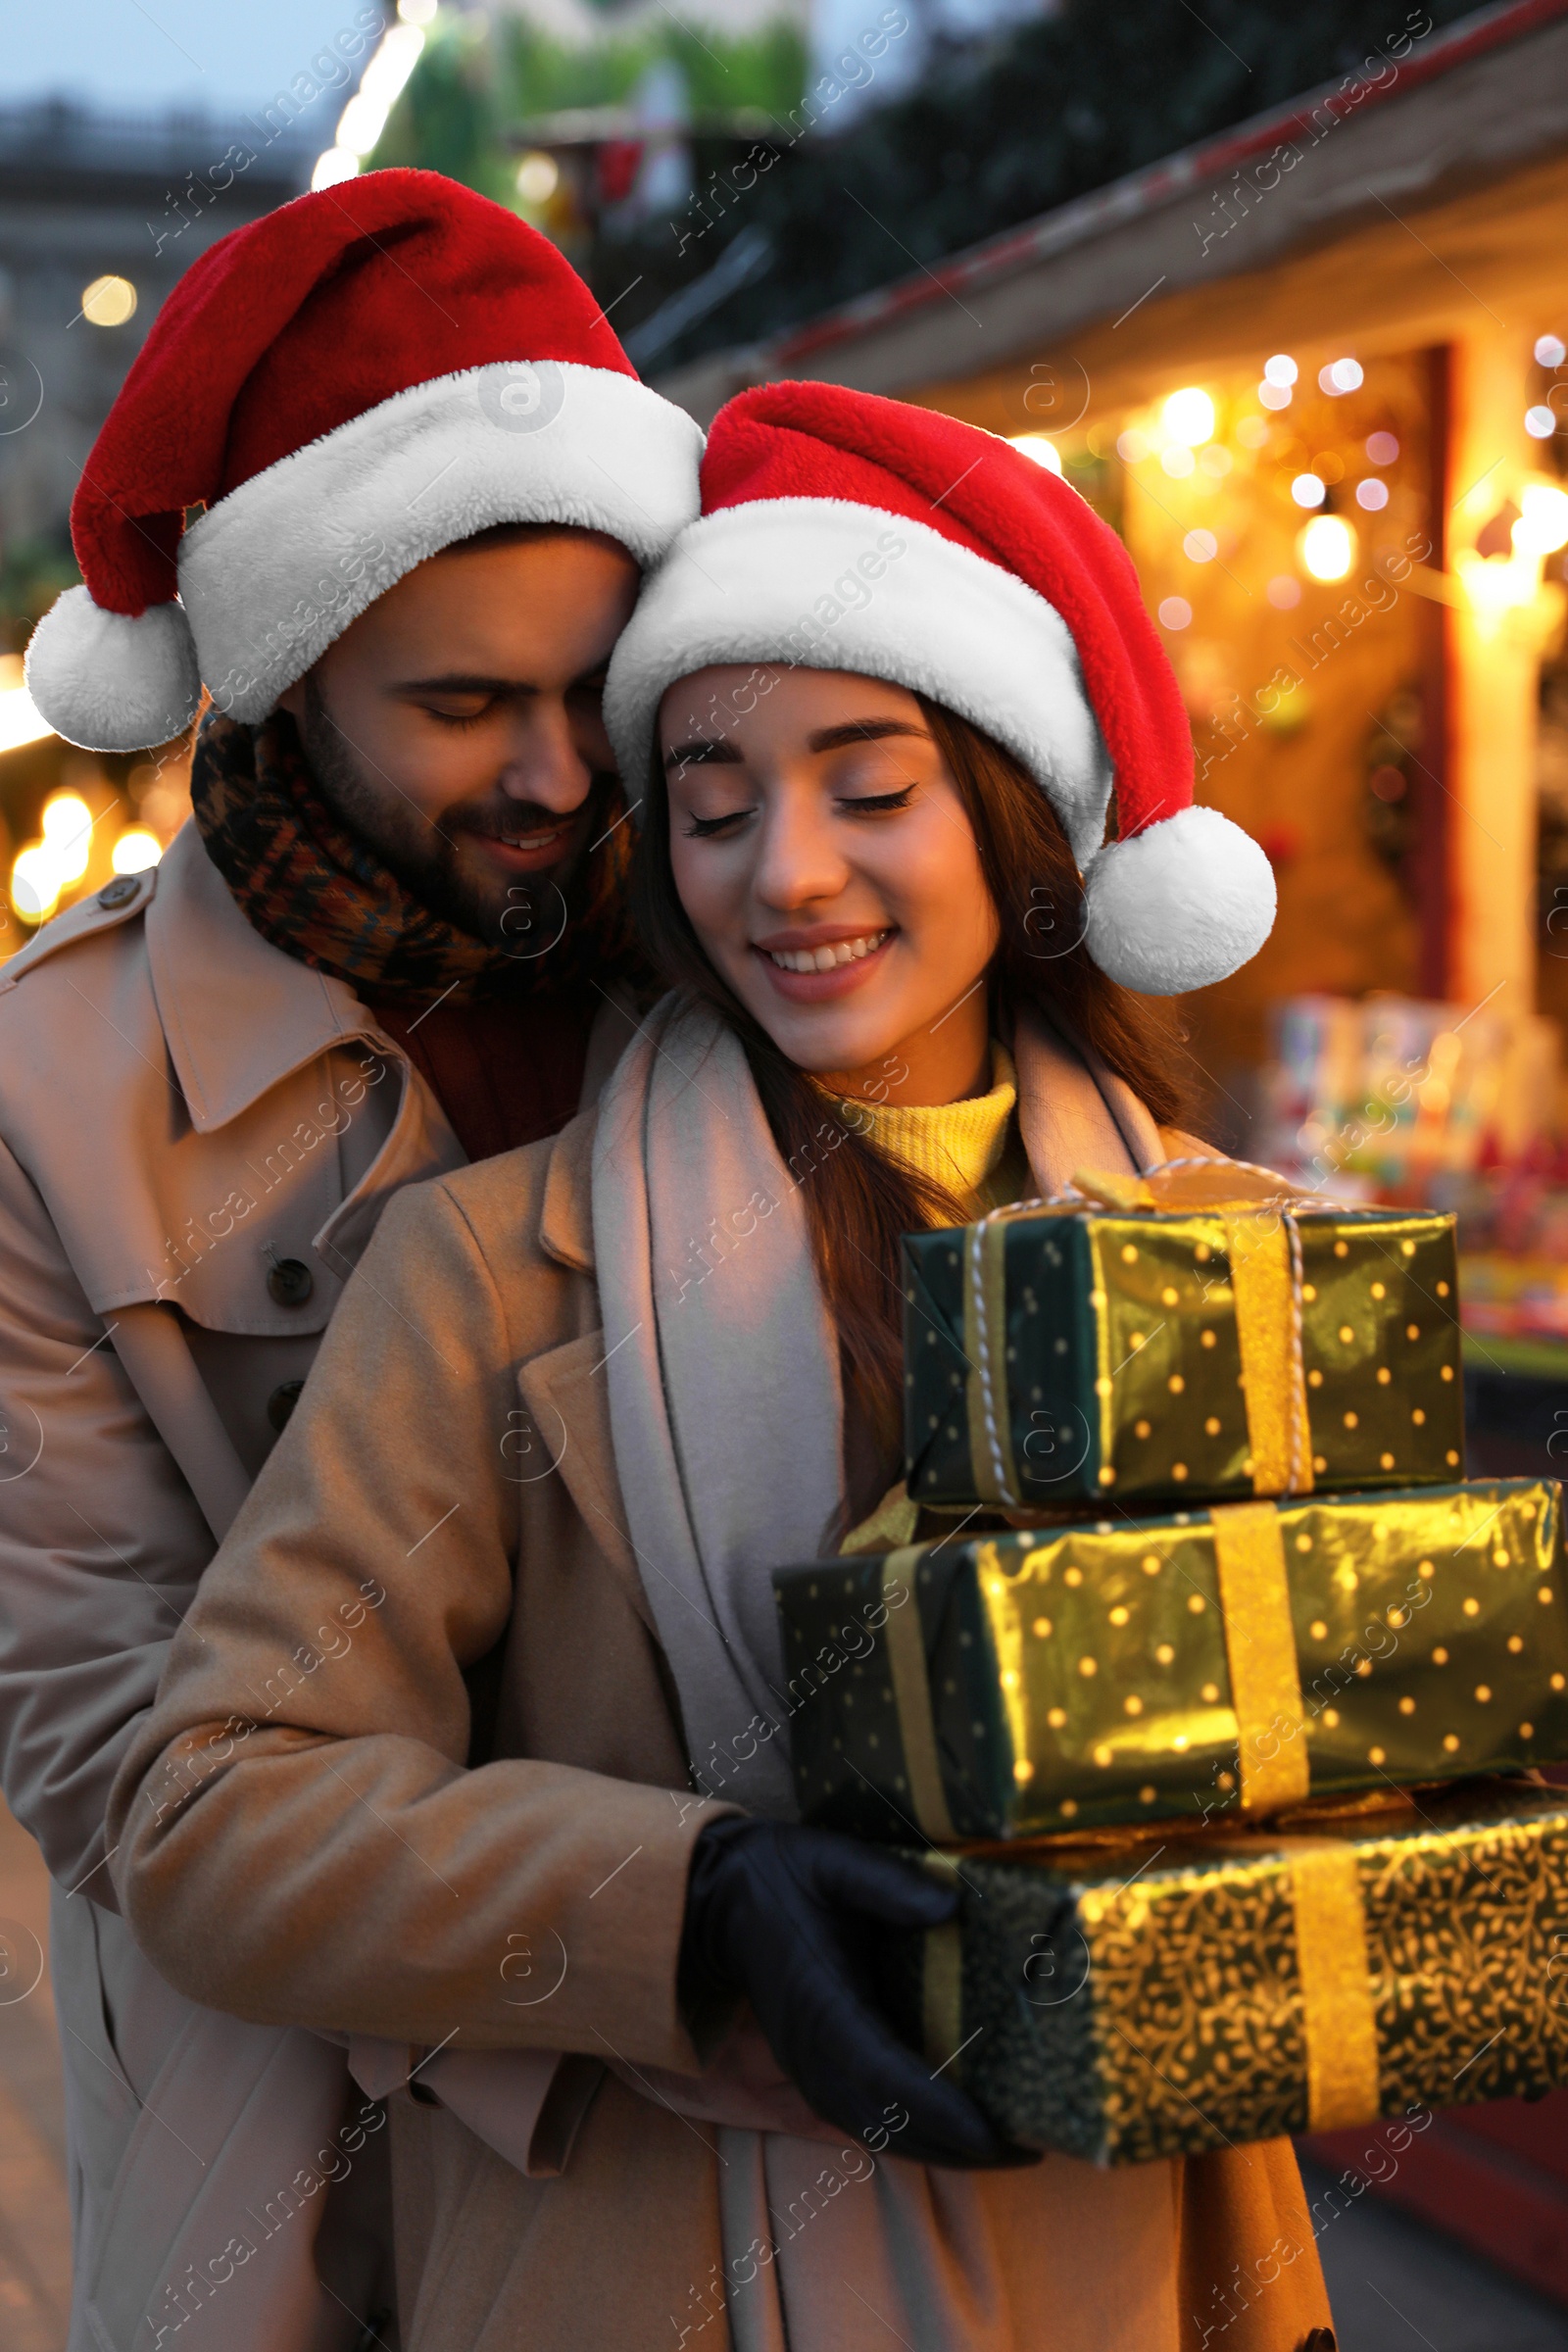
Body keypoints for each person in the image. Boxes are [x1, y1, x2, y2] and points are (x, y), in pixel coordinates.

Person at [108, 384, 1329, 2352]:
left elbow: (1342, 1781)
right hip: (643, 2270)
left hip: (1109, 2276)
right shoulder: (496, 1270)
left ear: (1010, 809)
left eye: (869, 786)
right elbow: (213, 1818)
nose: (784, 874)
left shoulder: (1241, 1254)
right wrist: (684, 1906)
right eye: (710, 799)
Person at [3, 169, 702, 2351]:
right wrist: (659, 1948)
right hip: (311, 2165)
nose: (556, 771)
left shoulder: (734, 974)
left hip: (762, 2135)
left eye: (592, 689)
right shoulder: (55, 1091)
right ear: (288, 678)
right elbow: (104, 1744)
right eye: (463, 706)